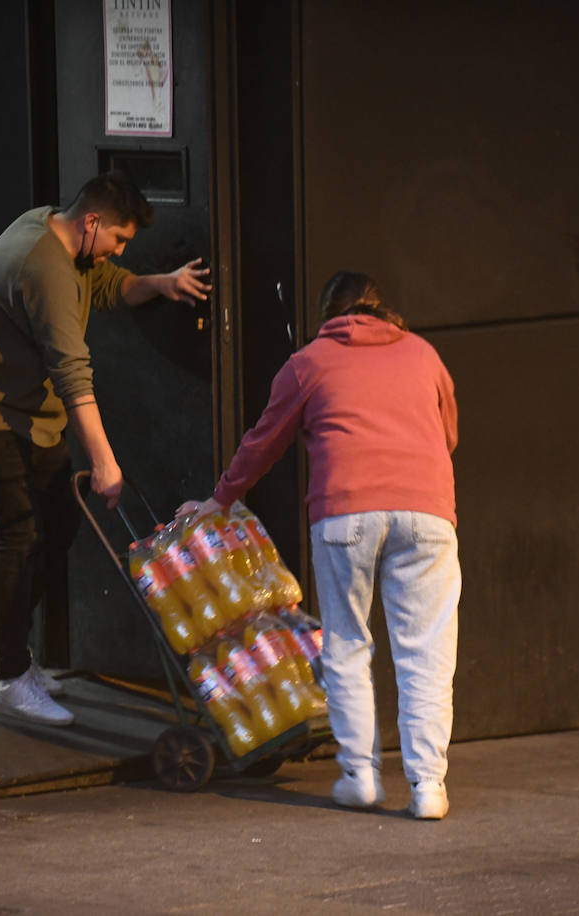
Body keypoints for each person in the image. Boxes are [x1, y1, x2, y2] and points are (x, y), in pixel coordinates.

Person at [182, 271, 460, 819]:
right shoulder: (424, 354)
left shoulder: (308, 362)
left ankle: (360, 776)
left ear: (327, 315)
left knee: (348, 645)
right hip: (427, 510)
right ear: (385, 310)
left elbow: (263, 441)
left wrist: (220, 500)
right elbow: (449, 433)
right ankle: (428, 787)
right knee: (425, 650)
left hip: (345, 511)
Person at [0, 171, 211, 727]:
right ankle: (10, 680)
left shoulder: (65, 239)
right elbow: (72, 376)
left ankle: (0, 646)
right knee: (20, 530)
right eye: (119, 238)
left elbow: (110, 287)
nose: (120, 249)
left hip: (26, 409)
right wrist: (105, 464)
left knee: (59, 521)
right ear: (92, 223)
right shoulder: (45, 267)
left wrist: (159, 283)